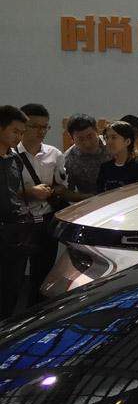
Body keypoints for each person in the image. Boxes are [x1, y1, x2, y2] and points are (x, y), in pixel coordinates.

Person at [15, 103, 66, 305]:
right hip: (18, 221)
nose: (41, 131)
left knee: (43, 272)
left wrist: (50, 191)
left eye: (45, 127)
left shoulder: (54, 154)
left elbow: (62, 186)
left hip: (45, 219)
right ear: (23, 126)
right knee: (14, 274)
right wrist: (30, 192)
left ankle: (36, 311)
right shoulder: (9, 154)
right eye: (35, 126)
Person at [0, 106, 30, 318]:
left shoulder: (15, 159)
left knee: (12, 287)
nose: (19, 137)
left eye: (22, 132)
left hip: (13, 231)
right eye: (15, 131)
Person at [58, 113, 110, 203]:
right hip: (94, 205)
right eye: (81, 139)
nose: (87, 144)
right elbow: (66, 193)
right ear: (72, 138)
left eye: (90, 137)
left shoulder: (111, 144)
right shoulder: (68, 160)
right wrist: (88, 197)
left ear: (97, 131)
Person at [97, 120, 138, 193]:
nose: (108, 142)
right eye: (107, 137)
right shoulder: (105, 167)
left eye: (114, 137)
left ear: (127, 141)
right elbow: (99, 194)